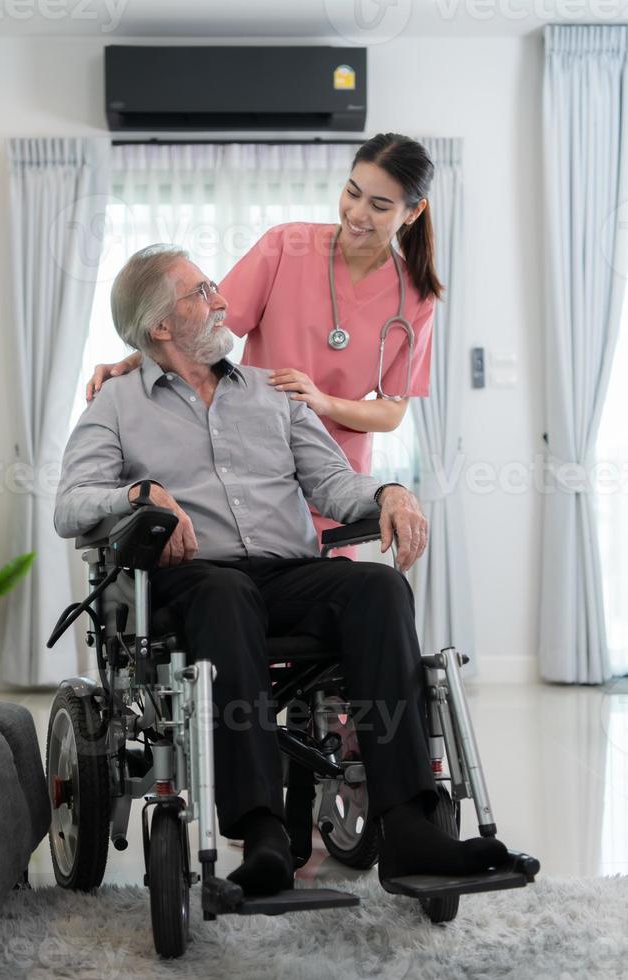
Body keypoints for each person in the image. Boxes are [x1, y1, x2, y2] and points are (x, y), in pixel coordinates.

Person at [56, 245, 507, 897]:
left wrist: (385, 494)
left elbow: (329, 481)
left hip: (286, 573)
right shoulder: (117, 404)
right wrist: (138, 495)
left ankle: (408, 828)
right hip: (188, 582)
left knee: (377, 586)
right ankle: (262, 830)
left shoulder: (274, 393)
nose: (220, 300)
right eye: (201, 291)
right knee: (224, 589)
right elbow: (71, 505)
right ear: (160, 326)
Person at [85, 133, 441, 552]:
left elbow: (392, 410)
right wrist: (132, 361)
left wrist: (321, 402)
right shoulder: (286, 247)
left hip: (335, 471)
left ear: (413, 212)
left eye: (380, 206)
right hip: (256, 456)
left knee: (328, 597)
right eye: (352, 192)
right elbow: (206, 323)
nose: (358, 213)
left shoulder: (417, 295)